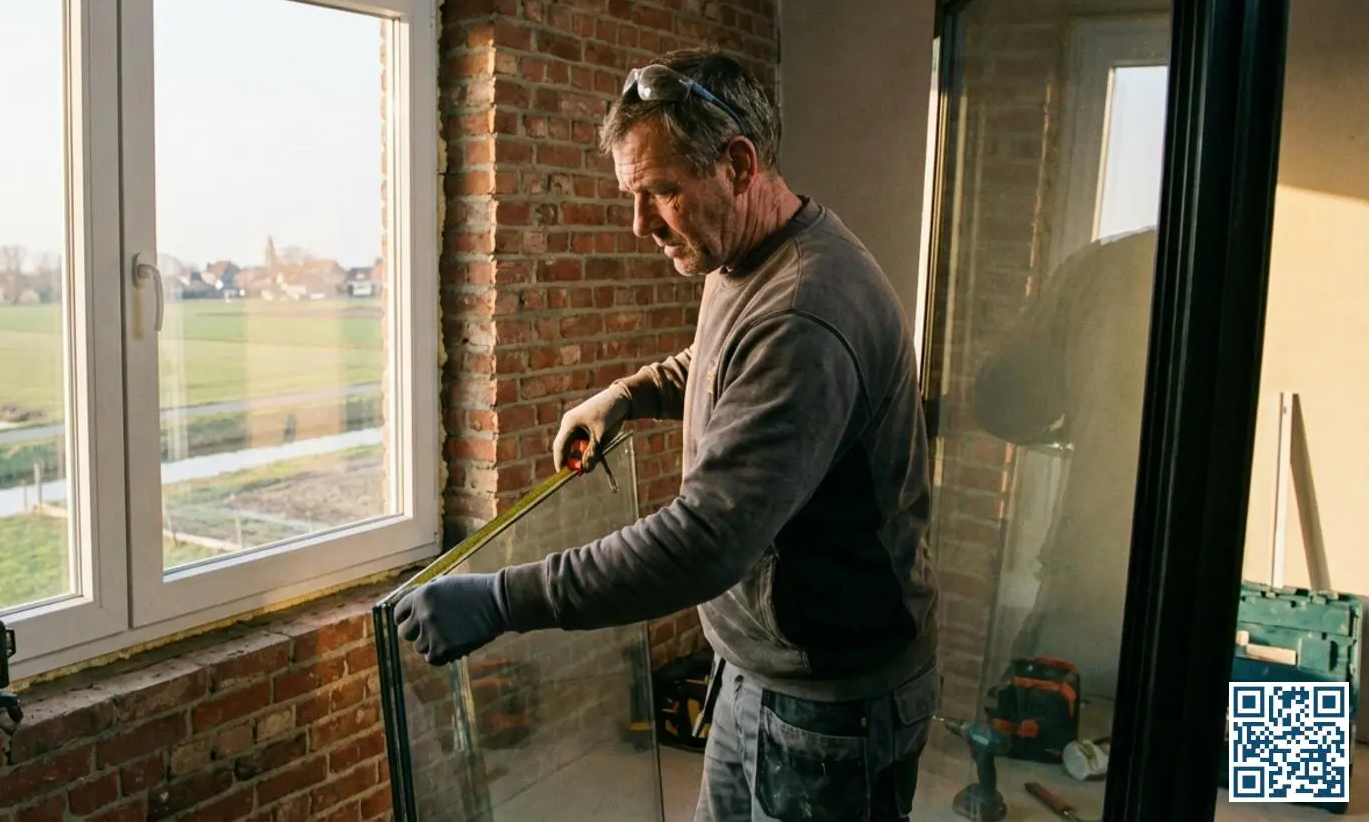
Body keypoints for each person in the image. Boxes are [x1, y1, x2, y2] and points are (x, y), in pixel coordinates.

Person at [395, 48, 940, 821]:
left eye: (659, 193)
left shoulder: (804, 311)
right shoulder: (749, 253)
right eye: (632, 193)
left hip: (830, 706)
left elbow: (702, 543)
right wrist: (626, 395)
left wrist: (502, 598)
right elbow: (718, 363)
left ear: (739, 163)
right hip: (760, 667)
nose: (640, 224)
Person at [971, 226, 1158, 702]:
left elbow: (1007, 402)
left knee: (1054, 736)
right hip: (1285, 628)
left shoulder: (1112, 270)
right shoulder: (1294, 267)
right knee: (1276, 774)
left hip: (1102, 585)